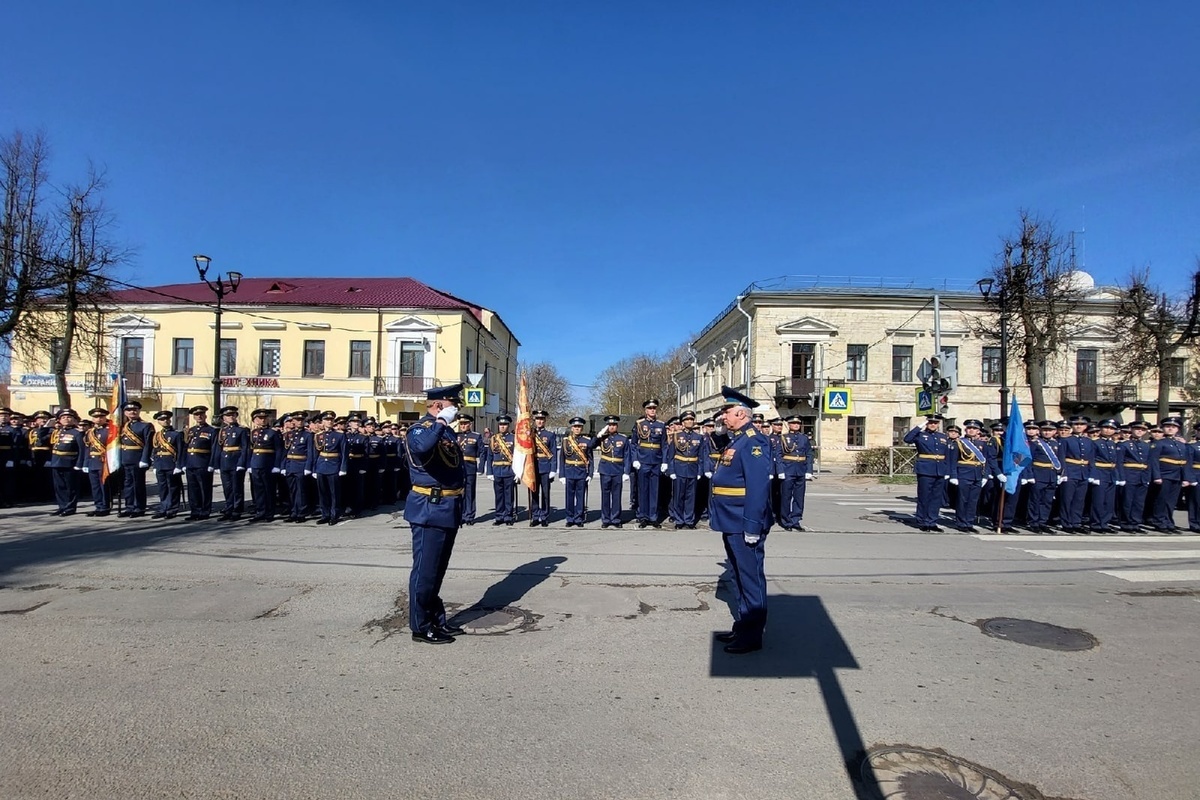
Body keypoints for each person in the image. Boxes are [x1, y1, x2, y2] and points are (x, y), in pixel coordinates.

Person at [709, 386, 773, 655]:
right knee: (737, 574)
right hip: (730, 519)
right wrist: (719, 435)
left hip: (742, 521)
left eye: (726, 412)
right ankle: (743, 625)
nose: (723, 416)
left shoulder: (754, 442)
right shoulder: (738, 440)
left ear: (740, 413)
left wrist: (751, 525)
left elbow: (757, 488)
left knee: (750, 578)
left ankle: (752, 635)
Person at [405, 383, 467, 645]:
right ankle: (420, 626)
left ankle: (435, 618)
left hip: (447, 508)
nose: (458, 410)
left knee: (438, 570)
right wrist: (441, 421)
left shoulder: (444, 431)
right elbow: (421, 447)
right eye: (454, 405)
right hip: (429, 508)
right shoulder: (420, 429)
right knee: (426, 571)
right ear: (439, 405)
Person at [903, 415, 950, 531]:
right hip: (925, 469)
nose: (933, 425)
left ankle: (932, 521)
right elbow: (907, 439)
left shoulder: (942, 437)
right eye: (930, 422)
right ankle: (922, 521)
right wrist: (920, 426)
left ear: (938, 424)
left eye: (935, 423)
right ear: (927, 423)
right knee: (924, 497)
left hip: (940, 470)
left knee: (936, 498)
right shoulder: (920, 435)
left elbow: (947, 455)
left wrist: (947, 471)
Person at [666, 411, 707, 529]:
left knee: (691, 496)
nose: (689, 422)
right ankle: (679, 520)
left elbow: (701, 456)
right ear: (683, 423)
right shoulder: (676, 435)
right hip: (680, 468)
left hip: (693, 469)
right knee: (679, 496)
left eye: (691, 420)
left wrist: (700, 471)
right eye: (687, 420)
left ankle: (689, 520)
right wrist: (672, 471)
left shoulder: (698, 437)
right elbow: (671, 455)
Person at [947, 420, 988, 532]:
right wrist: (953, 475)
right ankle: (961, 523)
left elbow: (987, 461)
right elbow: (953, 460)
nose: (971, 430)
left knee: (973, 500)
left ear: (978, 431)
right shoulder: (959, 443)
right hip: (963, 474)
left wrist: (986, 476)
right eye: (969, 428)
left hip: (978, 475)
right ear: (965, 430)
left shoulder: (982, 444)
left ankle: (969, 522)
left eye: (974, 428)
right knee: (962, 499)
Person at [632, 399, 668, 528]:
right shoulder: (639, 424)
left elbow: (664, 445)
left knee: (654, 490)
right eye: (650, 408)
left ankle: (653, 517)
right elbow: (634, 444)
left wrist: (664, 461)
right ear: (645, 410)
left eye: (654, 408)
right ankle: (643, 516)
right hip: (643, 461)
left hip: (656, 461)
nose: (652, 410)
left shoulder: (661, 425)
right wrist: (635, 459)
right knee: (643, 490)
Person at [775, 415, 814, 531]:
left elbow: (809, 454)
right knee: (786, 497)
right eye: (794, 423)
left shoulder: (804, 438)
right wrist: (780, 470)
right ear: (789, 425)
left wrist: (809, 470)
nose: (796, 425)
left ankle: (796, 520)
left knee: (799, 497)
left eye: (798, 423)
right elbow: (778, 455)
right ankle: (786, 521)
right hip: (788, 470)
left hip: (800, 470)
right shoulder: (783, 438)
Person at [309, 411, 348, 525]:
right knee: (323, 492)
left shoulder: (340, 435)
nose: (329, 422)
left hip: (334, 465)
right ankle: (325, 514)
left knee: (334, 493)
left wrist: (343, 468)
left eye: (331, 420)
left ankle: (334, 515)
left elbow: (344, 453)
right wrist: (314, 469)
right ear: (322, 422)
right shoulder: (318, 436)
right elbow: (315, 454)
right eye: (327, 420)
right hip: (321, 466)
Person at [117, 400, 154, 517]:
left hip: (137, 459)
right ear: (125, 412)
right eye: (128, 410)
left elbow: (148, 444)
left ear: (139, 411)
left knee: (137, 484)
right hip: (124, 459)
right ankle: (129, 507)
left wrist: (145, 459)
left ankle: (139, 508)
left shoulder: (146, 425)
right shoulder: (122, 426)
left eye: (134, 410)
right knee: (127, 485)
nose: (132, 412)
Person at [593, 415, 631, 528]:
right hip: (605, 469)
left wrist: (626, 471)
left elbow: (627, 456)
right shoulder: (602, 438)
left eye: (614, 425)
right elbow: (590, 445)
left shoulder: (623, 439)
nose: (612, 427)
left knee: (616, 495)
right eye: (609, 425)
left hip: (618, 470)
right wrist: (598, 436)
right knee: (605, 495)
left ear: (617, 426)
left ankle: (615, 519)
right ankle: (605, 519)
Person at [247, 409, 285, 522]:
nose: (262, 420)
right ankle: (260, 511)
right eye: (259, 418)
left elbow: (279, 450)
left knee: (269, 490)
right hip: (256, 464)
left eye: (264, 418)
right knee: (258, 490)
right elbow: (250, 450)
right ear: (254, 420)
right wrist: (249, 464)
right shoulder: (253, 433)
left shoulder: (272, 433)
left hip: (268, 464)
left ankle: (269, 513)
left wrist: (277, 465)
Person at [1150, 416, 1187, 533]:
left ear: (1178, 429)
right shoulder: (1159, 443)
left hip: (1177, 476)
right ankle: (1159, 522)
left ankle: (1169, 522)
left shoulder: (1180, 444)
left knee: (1171, 501)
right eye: (1168, 427)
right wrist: (1156, 476)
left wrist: (1185, 478)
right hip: (1164, 475)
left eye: (1173, 427)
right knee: (1161, 500)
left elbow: (1185, 461)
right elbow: (1154, 461)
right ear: (1163, 429)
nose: (1170, 429)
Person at [214, 406, 250, 520]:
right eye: (229, 416)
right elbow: (218, 448)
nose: (231, 417)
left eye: (233, 415)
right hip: (225, 462)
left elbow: (245, 448)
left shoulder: (241, 430)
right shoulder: (222, 431)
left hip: (236, 461)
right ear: (223, 418)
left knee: (237, 487)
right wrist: (216, 464)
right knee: (227, 488)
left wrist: (241, 463)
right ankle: (228, 508)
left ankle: (237, 509)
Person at [1089, 419, 1123, 533]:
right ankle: (1096, 523)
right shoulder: (1095, 443)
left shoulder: (1113, 443)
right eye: (1106, 428)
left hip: (1111, 473)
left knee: (1109, 501)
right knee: (1099, 500)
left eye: (1112, 429)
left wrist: (1118, 476)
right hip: (1100, 472)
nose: (1108, 430)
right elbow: (1092, 459)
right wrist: (1093, 475)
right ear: (1101, 429)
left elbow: (1116, 461)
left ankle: (1105, 523)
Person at [559, 417, 595, 527]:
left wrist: (590, 474)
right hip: (569, 471)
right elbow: (562, 459)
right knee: (569, 496)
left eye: (579, 427)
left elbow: (590, 459)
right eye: (575, 427)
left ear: (582, 428)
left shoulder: (587, 441)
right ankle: (570, 518)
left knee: (580, 496)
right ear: (572, 428)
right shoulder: (565, 441)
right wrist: (562, 475)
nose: (577, 429)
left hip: (581, 472)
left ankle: (579, 518)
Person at [183, 406, 217, 521]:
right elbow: (185, 447)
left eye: (201, 414)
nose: (199, 417)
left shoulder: (211, 431)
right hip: (190, 463)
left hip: (203, 463)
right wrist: (184, 463)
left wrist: (212, 464)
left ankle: (205, 510)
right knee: (193, 489)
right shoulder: (191, 430)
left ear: (205, 416)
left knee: (204, 488)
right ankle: (195, 510)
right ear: (194, 417)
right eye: (197, 415)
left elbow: (214, 449)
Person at [149, 410, 185, 519]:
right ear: (158, 422)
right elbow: (155, 451)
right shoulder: (157, 435)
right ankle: (163, 508)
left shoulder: (176, 434)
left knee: (173, 487)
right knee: (162, 488)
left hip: (171, 464)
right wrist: (155, 465)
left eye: (166, 419)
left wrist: (179, 466)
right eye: (162, 420)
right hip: (160, 464)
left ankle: (172, 509)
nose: (165, 421)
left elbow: (180, 451)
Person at [48, 408, 84, 516]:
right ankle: (62, 506)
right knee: (59, 486)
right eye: (63, 418)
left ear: (74, 419)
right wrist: (46, 426)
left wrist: (79, 464)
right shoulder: (58, 432)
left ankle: (70, 507)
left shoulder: (77, 433)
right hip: (56, 462)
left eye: (69, 417)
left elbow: (82, 450)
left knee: (70, 487)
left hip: (70, 463)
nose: (66, 419)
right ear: (59, 420)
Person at [280, 411, 314, 523]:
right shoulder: (288, 435)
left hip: (301, 464)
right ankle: (293, 512)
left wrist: (308, 467)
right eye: (297, 420)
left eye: (301, 420)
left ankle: (301, 513)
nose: (299, 422)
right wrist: (283, 466)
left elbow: (310, 452)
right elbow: (285, 452)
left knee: (301, 491)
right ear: (293, 421)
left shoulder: (308, 435)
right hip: (290, 464)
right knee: (291, 490)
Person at [1118, 420, 1151, 532]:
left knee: (1139, 502)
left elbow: (1149, 463)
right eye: (1137, 429)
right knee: (1127, 500)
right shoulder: (1124, 445)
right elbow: (1120, 462)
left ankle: (1135, 522)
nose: (1139, 431)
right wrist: (1121, 477)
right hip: (1129, 474)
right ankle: (1125, 523)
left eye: (1142, 430)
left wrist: (1147, 477)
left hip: (1142, 476)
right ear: (1131, 430)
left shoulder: (1146, 446)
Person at [80, 407, 114, 517]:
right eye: (95, 417)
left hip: (104, 461)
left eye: (101, 417)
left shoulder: (109, 430)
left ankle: (105, 506)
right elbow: (87, 448)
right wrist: (85, 463)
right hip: (92, 461)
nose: (98, 419)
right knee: (95, 486)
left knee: (103, 485)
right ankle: (98, 506)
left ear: (105, 417)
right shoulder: (90, 432)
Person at [484, 415, 517, 525]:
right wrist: (489, 472)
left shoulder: (513, 438)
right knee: (498, 495)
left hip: (509, 470)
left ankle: (508, 516)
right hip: (497, 471)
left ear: (508, 426)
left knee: (509, 496)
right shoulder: (493, 439)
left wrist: (517, 472)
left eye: (505, 425)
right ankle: (499, 516)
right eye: (501, 425)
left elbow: (518, 456)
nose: (502, 427)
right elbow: (489, 456)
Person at [456, 414, 484, 525]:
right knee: (458, 493)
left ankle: (469, 516)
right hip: (457, 468)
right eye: (461, 424)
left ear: (470, 424)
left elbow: (481, 452)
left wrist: (480, 467)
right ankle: (460, 515)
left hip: (470, 467)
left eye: (465, 424)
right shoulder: (455, 435)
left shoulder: (476, 436)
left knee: (469, 492)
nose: (463, 426)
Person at [531, 411, 558, 527]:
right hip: (532, 468)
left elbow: (553, 453)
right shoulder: (529, 434)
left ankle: (545, 516)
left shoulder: (550, 435)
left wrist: (553, 469)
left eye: (542, 419)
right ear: (534, 420)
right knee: (534, 493)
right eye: (538, 419)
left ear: (545, 421)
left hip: (545, 468)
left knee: (545, 494)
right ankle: (535, 516)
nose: (540, 421)